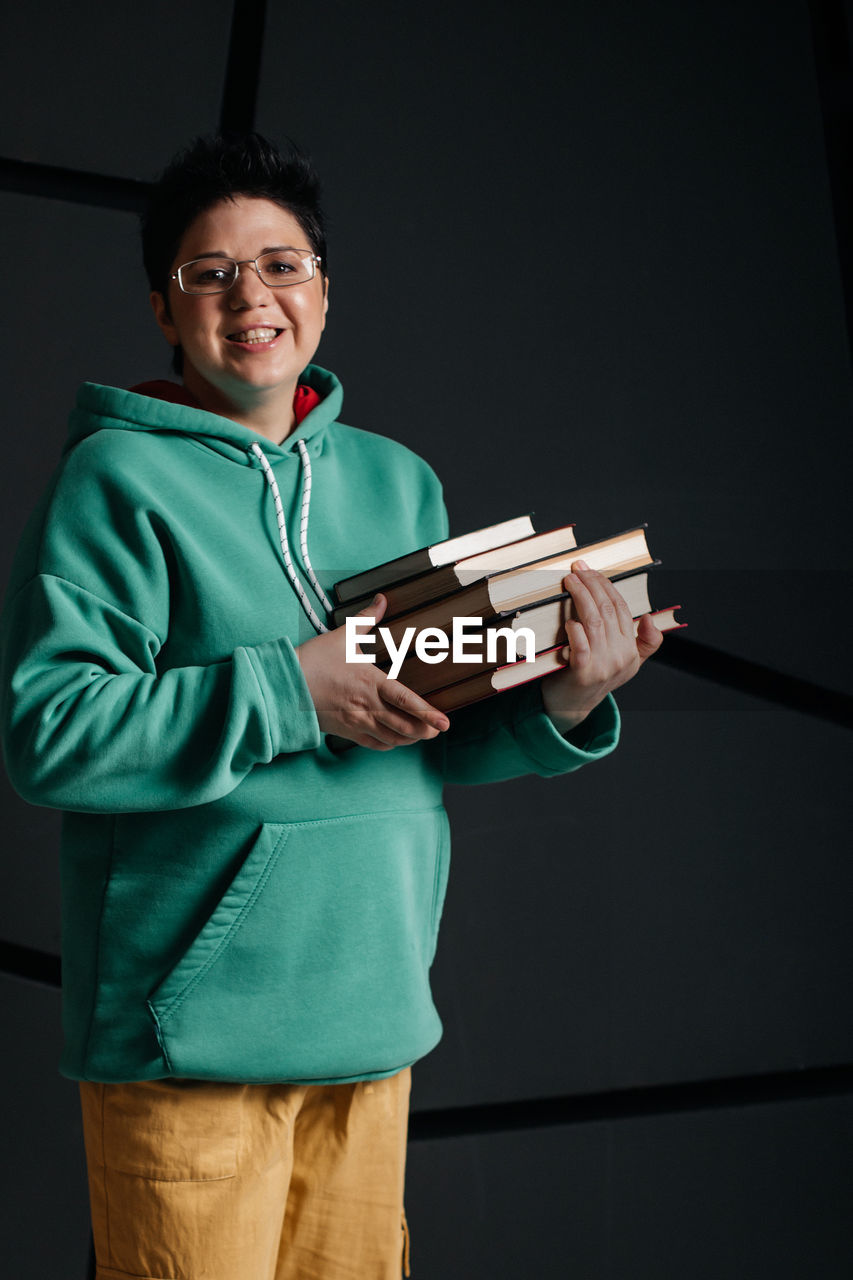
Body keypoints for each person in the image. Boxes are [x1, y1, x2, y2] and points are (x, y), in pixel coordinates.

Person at [0, 133, 662, 1280]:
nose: (250, 296)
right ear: (165, 307)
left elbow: (424, 731)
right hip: (190, 1045)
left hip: (371, 1020)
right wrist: (286, 687)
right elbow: (51, 734)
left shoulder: (396, 479)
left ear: (321, 287)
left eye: (281, 264)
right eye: (209, 274)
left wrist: (566, 691)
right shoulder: (114, 480)